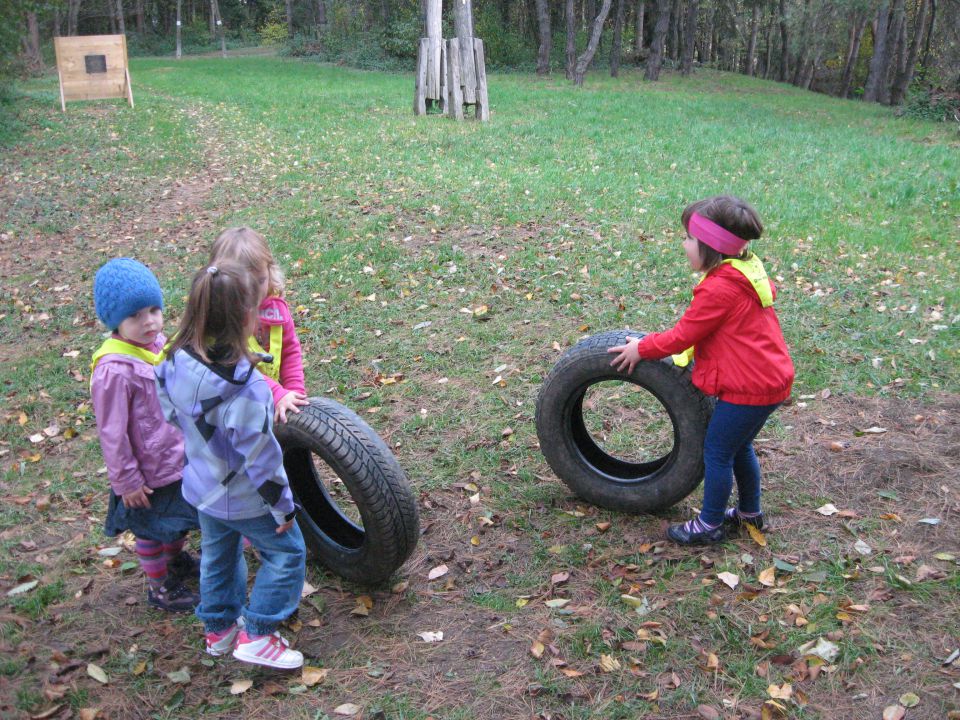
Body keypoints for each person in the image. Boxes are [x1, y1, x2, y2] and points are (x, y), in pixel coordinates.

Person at [608, 195, 794, 546]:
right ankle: (749, 513)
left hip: (750, 388)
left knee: (718, 451)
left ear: (711, 246)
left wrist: (641, 347)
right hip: (767, 378)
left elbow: (682, 336)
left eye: (689, 238)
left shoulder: (720, 289)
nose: (684, 243)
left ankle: (709, 525)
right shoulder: (743, 272)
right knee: (739, 447)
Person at [156, 261, 306, 670]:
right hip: (244, 497)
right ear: (247, 317)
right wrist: (283, 507)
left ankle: (219, 629)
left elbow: (168, 408)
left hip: (202, 488)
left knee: (219, 556)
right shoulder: (248, 389)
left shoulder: (173, 357)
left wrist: (194, 433)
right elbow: (262, 458)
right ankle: (258, 633)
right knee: (288, 554)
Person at [91, 258, 200, 613]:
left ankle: (177, 561)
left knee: (178, 520)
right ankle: (160, 587)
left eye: (154, 310)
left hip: (175, 458)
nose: (149, 321)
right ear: (115, 321)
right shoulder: (114, 370)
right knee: (151, 529)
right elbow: (113, 433)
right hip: (145, 473)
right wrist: (127, 481)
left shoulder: (157, 345)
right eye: (136, 315)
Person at [209, 227, 309, 424]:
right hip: (234, 410)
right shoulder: (220, 320)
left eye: (261, 280)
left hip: (271, 399)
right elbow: (237, 368)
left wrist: (294, 393)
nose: (255, 292)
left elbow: (290, 350)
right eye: (245, 285)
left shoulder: (275, 307)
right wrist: (276, 393)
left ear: (270, 271)